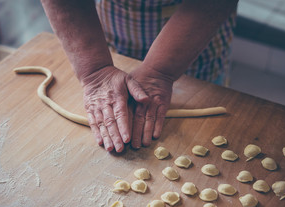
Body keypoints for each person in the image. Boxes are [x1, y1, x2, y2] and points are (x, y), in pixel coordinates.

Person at [40, 0, 238, 153]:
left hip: (195, 36)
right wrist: (95, 71)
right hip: (112, 26)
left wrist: (161, 72)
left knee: (209, 120)